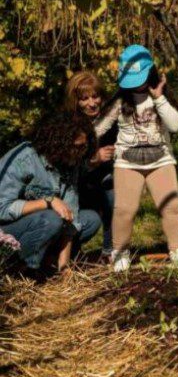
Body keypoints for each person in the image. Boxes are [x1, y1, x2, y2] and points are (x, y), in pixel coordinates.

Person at [94, 45, 178, 273]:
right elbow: (98, 128)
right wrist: (82, 141)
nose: (136, 84)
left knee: (171, 208)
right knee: (124, 210)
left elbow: (174, 125)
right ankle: (120, 254)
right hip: (127, 162)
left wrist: (159, 98)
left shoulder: (160, 98)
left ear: (151, 73)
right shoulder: (120, 102)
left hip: (161, 160)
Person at [0, 111, 102, 275]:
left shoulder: (71, 162)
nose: (81, 152)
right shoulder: (24, 159)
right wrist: (48, 201)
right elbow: (2, 209)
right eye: (76, 147)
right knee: (52, 218)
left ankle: (51, 262)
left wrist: (64, 266)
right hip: (6, 231)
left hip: (42, 225)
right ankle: (23, 269)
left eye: (84, 147)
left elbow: (71, 215)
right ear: (58, 143)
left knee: (90, 220)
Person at [65, 71, 117, 259]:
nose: (92, 103)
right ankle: (70, 251)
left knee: (113, 197)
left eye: (95, 97)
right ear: (76, 101)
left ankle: (110, 250)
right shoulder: (69, 126)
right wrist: (93, 160)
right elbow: (69, 167)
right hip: (77, 183)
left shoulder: (112, 119)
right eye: (85, 99)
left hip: (107, 177)